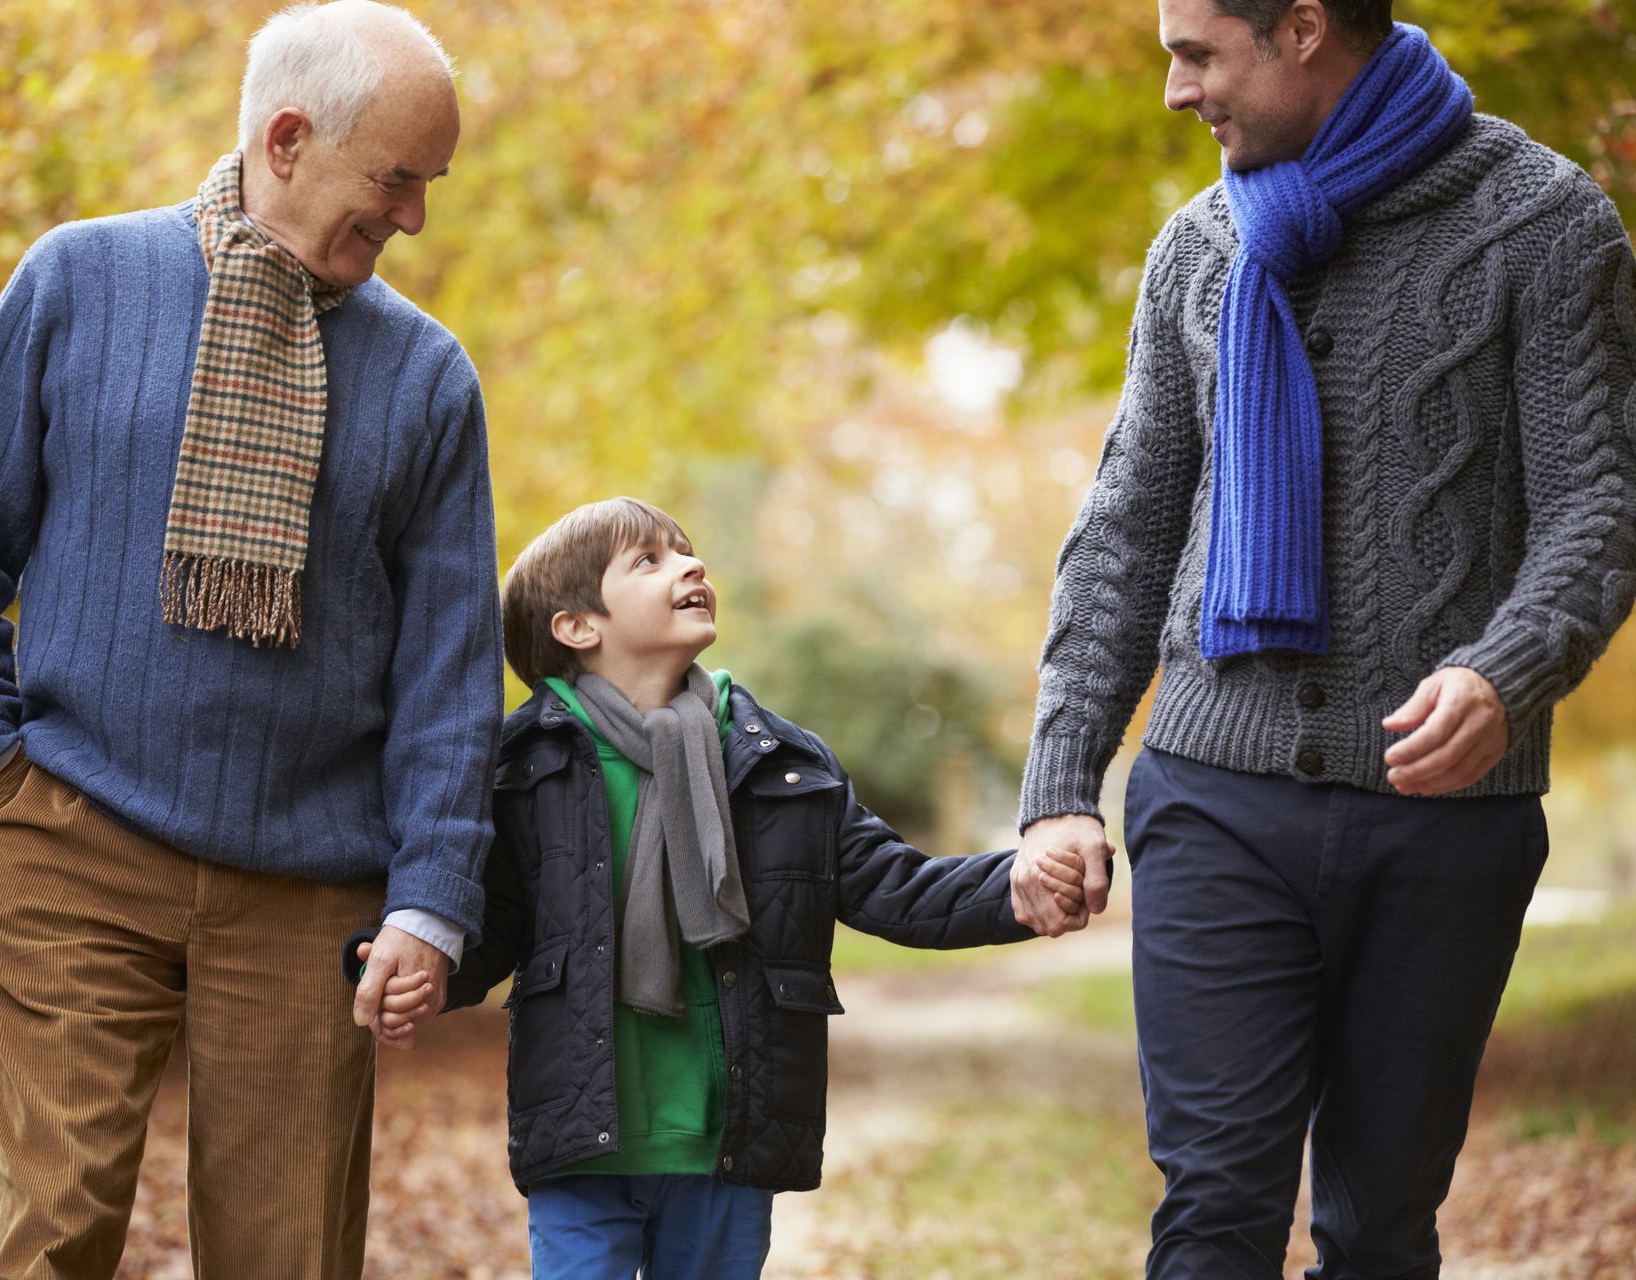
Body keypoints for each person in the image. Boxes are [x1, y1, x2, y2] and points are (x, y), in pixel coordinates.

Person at [1008, 1, 1636, 1275]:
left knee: (1379, 1225)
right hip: (1215, 794)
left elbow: (1598, 499)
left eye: (1198, 54)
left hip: (1447, 816)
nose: (1176, 92)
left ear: (1301, 29)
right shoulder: (1199, 243)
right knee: (1216, 1212)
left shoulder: (1547, 221)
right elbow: (1127, 526)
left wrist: (1503, 672)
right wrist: (1061, 783)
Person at [0, 3, 501, 1276]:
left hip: (306, 892)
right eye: (397, 179)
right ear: (289, 139)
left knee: (287, 1257)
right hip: (73, 846)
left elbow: (448, 678)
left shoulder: (429, 377)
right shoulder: (77, 281)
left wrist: (431, 900)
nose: (413, 218)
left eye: (427, 184)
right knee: (50, 1235)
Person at [353, 497, 1082, 1279]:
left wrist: (1016, 886)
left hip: (727, 1135)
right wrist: (425, 970)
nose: (690, 566)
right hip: (584, 1135)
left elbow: (894, 885)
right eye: (650, 560)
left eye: (688, 552)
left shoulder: (778, 761)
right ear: (577, 626)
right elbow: (489, 921)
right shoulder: (524, 767)